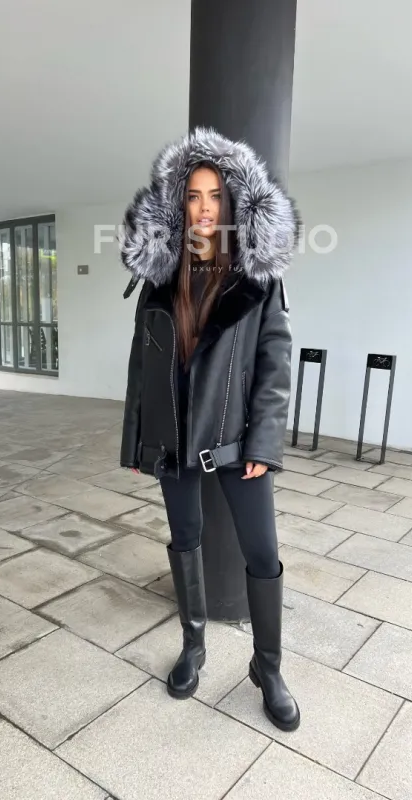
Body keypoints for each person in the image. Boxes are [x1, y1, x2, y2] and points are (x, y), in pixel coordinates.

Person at [119, 127, 300, 732]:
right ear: (179, 204)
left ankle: (267, 668)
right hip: (173, 440)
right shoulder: (160, 277)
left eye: (214, 196)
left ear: (233, 202)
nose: (203, 208)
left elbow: (274, 364)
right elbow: (143, 367)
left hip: (238, 441)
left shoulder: (257, 275)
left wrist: (264, 442)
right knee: (185, 539)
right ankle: (193, 645)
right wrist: (139, 441)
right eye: (192, 196)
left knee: (263, 554)